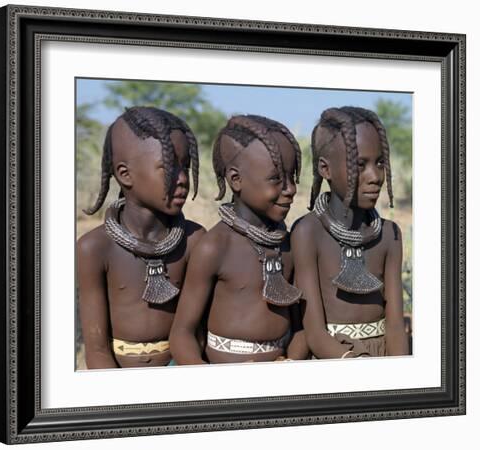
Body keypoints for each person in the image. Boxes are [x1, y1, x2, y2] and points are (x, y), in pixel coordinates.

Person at [170, 115, 309, 364]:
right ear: (236, 180)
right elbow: (182, 333)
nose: (290, 189)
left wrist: (292, 363)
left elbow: (300, 328)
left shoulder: (288, 244)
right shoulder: (215, 247)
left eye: (292, 177)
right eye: (276, 178)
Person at [77, 106, 205, 368]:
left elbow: (198, 333)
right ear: (125, 174)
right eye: (169, 167)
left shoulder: (195, 240)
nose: (182, 179)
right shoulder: (94, 248)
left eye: (186, 167)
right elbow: (97, 348)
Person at [291, 106, 409, 359]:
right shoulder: (307, 233)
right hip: (332, 360)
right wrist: (358, 368)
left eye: (379, 163)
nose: (375, 176)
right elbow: (314, 332)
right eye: (360, 164)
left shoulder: (390, 235)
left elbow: (396, 325)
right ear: (325, 169)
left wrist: (400, 379)